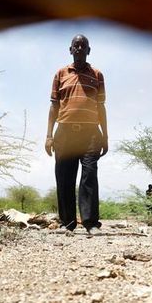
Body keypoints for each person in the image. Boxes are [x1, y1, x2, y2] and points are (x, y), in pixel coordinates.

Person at [44, 34, 109, 236]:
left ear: (89, 50)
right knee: (64, 177)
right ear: (70, 50)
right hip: (64, 132)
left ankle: (90, 223)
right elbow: (54, 106)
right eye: (76, 46)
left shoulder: (97, 75)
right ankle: (67, 223)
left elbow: (101, 106)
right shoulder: (60, 74)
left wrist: (105, 136)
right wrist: (48, 135)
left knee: (89, 177)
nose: (79, 48)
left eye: (83, 46)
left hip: (90, 133)